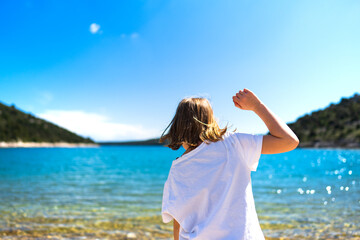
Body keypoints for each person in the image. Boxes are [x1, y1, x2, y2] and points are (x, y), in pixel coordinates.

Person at [160, 89, 299, 240]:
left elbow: (178, 220)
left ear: (178, 126)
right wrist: (257, 106)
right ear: (210, 121)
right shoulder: (233, 143)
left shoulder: (178, 168)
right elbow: (289, 141)